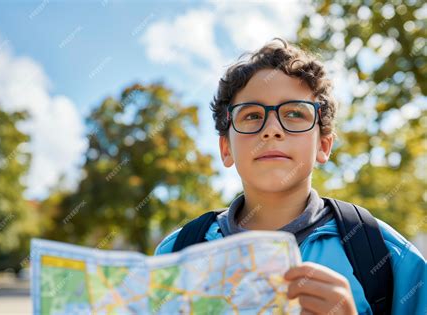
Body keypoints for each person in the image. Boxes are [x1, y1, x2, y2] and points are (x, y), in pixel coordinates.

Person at [154, 38, 426, 315]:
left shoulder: (386, 254)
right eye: (251, 116)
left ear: (323, 145)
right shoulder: (175, 254)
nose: (271, 130)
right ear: (226, 149)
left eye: (295, 113)